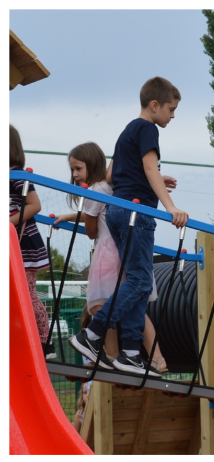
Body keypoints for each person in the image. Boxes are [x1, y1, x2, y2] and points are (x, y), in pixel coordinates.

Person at [70, 76, 188, 375]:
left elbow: (112, 177)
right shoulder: (147, 128)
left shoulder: (126, 132)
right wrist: (170, 206)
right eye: (171, 109)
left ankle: (131, 353)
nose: (173, 116)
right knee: (139, 282)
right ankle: (93, 334)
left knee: (138, 282)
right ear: (154, 105)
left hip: (121, 212)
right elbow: (149, 167)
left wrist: (159, 181)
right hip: (137, 213)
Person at [56, 142, 166, 371]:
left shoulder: (93, 189)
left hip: (107, 254)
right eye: (73, 170)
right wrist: (69, 217)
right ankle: (157, 358)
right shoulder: (113, 187)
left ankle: (113, 355)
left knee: (99, 305)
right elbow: (97, 214)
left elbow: (92, 230)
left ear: (92, 165)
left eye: (78, 169)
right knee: (134, 304)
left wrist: (80, 218)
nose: (75, 175)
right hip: (127, 251)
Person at [10, 125, 51, 349]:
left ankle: (45, 341)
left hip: (25, 245)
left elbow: (35, 205)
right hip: (12, 244)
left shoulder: (16, 175)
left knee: (28, 292)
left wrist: (9, 222)